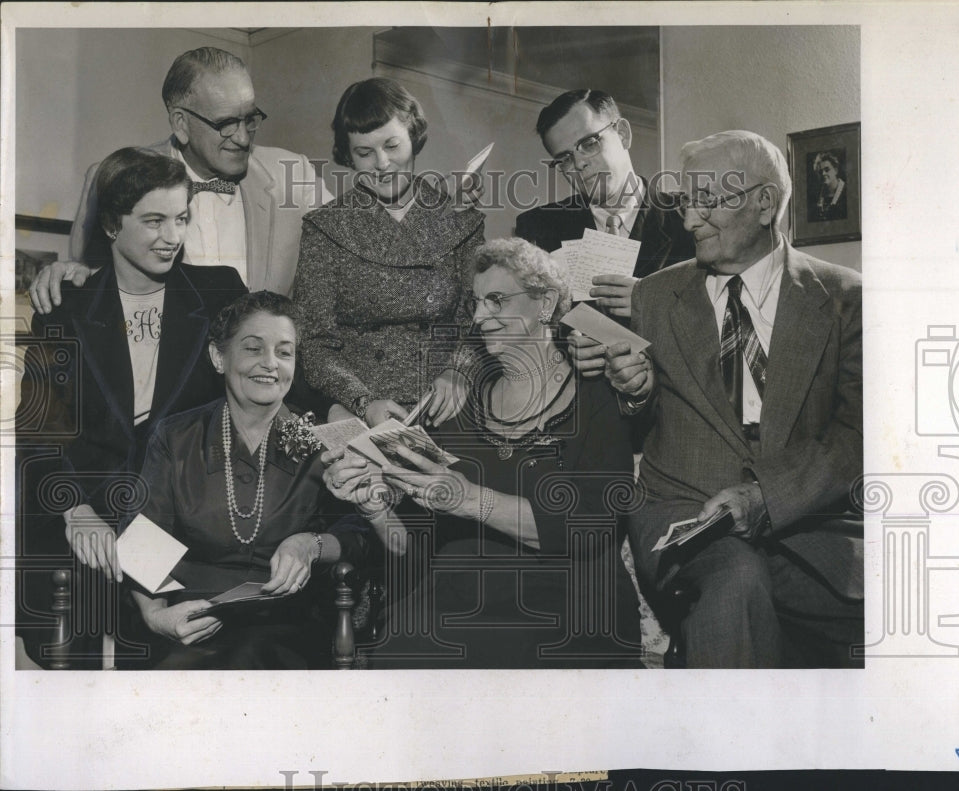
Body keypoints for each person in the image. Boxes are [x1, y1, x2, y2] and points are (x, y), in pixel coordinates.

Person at [605, 130, 863, 668]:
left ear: (765, 203)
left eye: (708, 201)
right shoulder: (652, 296)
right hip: (681, 509)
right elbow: (631, 425)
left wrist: (766, 498)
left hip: (806, 519)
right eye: (685, 202)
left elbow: (857, 433)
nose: (689, 219)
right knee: (737, 580)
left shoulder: (846, 300)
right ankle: (736, 745)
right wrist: (634, 393)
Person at [323, 238, 643, 669]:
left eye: (496, 300)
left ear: (545, 302)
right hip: (457, 599)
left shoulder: (598, 396)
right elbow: (413, 549)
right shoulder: (456, 407)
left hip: (568, 602)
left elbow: (592, 526)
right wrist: (375, 508)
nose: (478, 317)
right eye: (476, 302)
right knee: (402, 647)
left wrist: (470, 499)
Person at [15, 147, 247, 666]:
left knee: (167, 657)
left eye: (181, 218)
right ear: (113, 226)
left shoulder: (218, 293)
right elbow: (38, 431)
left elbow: (274, 364)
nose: (172, 236)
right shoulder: (67, 307)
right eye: (154, 221)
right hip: (88, 504)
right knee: (69, 644)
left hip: (178, 509)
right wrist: (75, 508)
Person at [126, 292, 368, 669]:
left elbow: (360, 533)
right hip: (193, 623)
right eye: (253, 349)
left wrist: (312, 544)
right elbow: (143, 536)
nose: (270, 364)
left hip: (288, 627)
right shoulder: (176, 437)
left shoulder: (323, 438)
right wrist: (157, 617)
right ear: (219, 357)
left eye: (284, 353)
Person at [29, 46, 329, 312]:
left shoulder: (294, 174)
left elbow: (350, 255)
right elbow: (90, 276)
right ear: (181, 123)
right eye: (225, 124)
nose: (241, 137)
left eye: (249, 119)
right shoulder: (116, 177)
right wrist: (67, 274)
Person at [293, 77, 485, 428]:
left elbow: (480, 317)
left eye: (392, 145)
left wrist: (460, 371)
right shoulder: (325, 228)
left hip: (451, 406)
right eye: (364, 153)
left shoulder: (461, 218)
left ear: (414, 137)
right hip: (364, 414)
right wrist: (362, 402)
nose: (382, 164)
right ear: (347, 157)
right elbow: (315, 344)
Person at [515, 89, 695, 322]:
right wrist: (563, 353)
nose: (579, 163)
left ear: (623, 134)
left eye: (589, 143)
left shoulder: (690, 216)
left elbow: (716, 317)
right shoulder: (538, 228)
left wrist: (652, 304)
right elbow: (531, 324)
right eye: (565, 159)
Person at [810, 151, 847, 221]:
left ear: (836, 170)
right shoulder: (817, 196)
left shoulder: (846, 192)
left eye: (827, 169)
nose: (823, 174)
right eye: (820, 172)